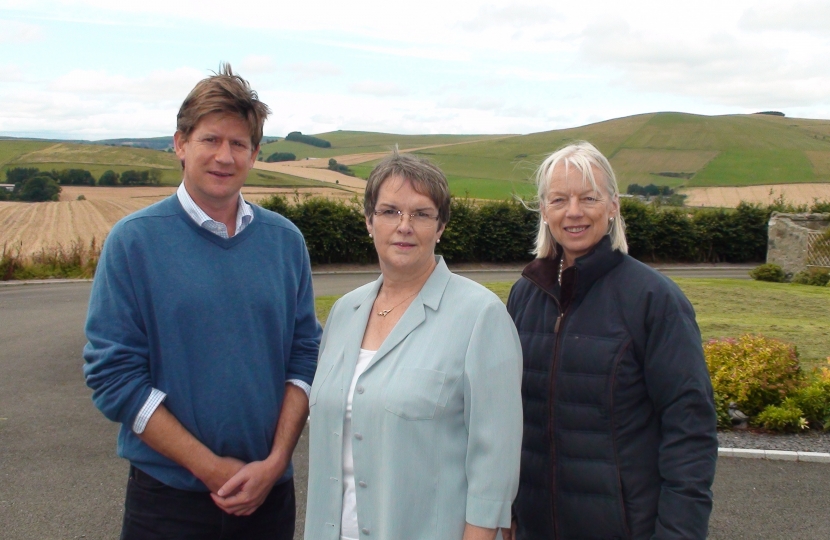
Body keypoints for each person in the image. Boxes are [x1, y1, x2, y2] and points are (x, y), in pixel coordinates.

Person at [83, 64, 321, 539]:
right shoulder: (134, 242)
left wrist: (275, 463)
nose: (224, 156)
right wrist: (212, 468)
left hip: (269, 497)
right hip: (167, 503)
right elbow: (114, 377)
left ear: (254, 154)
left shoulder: (285, 242)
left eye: (238, 144)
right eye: (210, 140)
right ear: (180, 144)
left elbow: (305, 356)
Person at [304, 152, 523, 540]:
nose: (404, 226)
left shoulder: (480, 317)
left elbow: (495, 466)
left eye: (421, 214)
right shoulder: (343, 313)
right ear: (369, 221)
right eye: (390, 211)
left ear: (440, 227)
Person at [505, 141, 717, 540]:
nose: (573, 212)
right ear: (544, 210)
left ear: (613, 205)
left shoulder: (654, 300)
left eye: (589, 198)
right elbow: (506, 419)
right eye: (559, 199)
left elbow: (690, 429)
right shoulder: (524, 295)